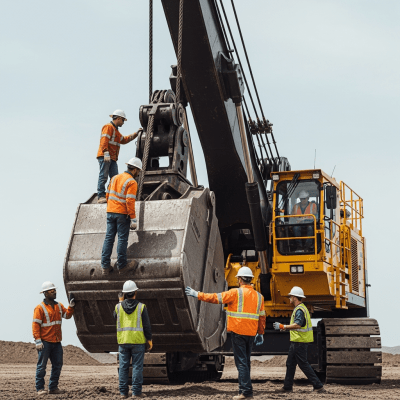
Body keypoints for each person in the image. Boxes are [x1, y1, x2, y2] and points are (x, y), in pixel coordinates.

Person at [185, 267, 265, 400]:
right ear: (251, 280)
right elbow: (262, 317)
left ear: (239, 279)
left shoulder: (235, 293)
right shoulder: (259, 297)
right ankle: (244, 390)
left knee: (241, 363)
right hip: (251, 333)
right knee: (246, 363)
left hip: (238, 332)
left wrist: (197, 294)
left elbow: (215, 298)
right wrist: (260, 332)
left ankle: (246, 392)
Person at [273, 286, 325, 393]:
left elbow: (297, 324)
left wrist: (283, 327)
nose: (289, 298)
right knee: (290, 364)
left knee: (303, 364)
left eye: (291, 296)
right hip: (297, 341)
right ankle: (287, 387)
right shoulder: (301, 308)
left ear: (295, 298)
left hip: (299, 342)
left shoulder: (300, 310)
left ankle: (318, 386)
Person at [32, 281, 75, 396]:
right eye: (52, 291)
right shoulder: (39, 308)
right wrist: (38, 341)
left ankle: (53, 387)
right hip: (45, 342)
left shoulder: (59, 306)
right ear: (45, 293)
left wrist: (71, 307)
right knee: (41, 366)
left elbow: (67, 316)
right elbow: (35, 325)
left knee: (58, 365)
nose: (54, 292)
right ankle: (40, 388)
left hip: (56, 342)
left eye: (54, 290)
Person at [101, 157, 142, 276]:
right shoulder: (132, 182)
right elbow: (130, 201)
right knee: (122, 240)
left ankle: (105, 267)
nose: (138, 174)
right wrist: (133, 218)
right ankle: (122, 266)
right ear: (135, 170)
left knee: (109, 239)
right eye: (138, 171)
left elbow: (107, 195)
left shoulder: (114, 178)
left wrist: (112, 207)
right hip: (122, 214)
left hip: (110, 212)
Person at [114, 280, 153, 398]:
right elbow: (146, 326)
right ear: (135, 292)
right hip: (138, 342)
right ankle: (136, 392)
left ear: (124, 294)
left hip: (123, 342)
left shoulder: (118, 307)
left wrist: (120, 302)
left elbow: (115, 317)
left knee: (123, 367)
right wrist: (149, 340)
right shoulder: (141, 307)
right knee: (137, 367)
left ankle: (123, 393)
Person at [96, 109, 142, 204]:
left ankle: (110, 196)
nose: (123, 123)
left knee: (115, 178)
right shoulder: (108, 127)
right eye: (123, 120)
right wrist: (106, 153)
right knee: (103, 176)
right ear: (118, 118)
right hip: (105, 156)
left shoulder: (116, 131)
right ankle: (101, 196)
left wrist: (136, 134)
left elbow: (124, 140)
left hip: (112, 158)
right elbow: (104, 140)